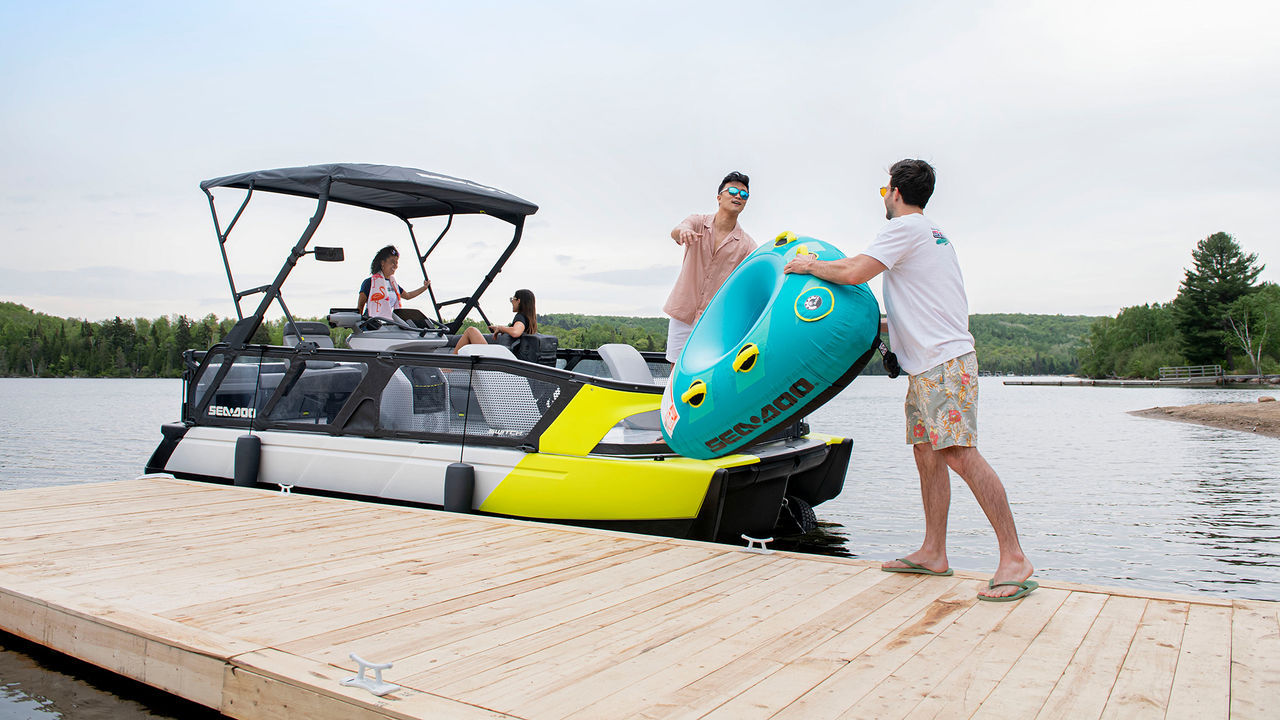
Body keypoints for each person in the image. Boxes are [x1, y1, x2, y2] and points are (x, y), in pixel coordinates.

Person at [783, 159, 1036, 602]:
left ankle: (1014, 557)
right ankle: (934, 551)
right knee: (927, 453)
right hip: (929, 366)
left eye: (885, 188)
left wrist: (806, 265)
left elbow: (853, 272)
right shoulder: (933, 233)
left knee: (959, 453)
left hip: (944, 363)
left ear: (896, 192)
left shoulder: (905, 227)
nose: (884, 195)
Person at [663, 171, 757, 363]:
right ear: (719, 197)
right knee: (676, 371)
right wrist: (684, 232)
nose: (738, 196)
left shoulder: (747, 244)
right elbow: (677, 230)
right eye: (732, 191)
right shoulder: (697, 222)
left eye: (744, 194)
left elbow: (761, 264)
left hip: (714, 321)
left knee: (705, 370)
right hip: (683, 311)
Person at [453, 288, 537, 353]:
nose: (511, 302)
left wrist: (501, 328)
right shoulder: (529, 320)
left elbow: (515, 332)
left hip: (501, 360)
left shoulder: (520, 317)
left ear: (518, 301)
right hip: (509, 357)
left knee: (471, 331)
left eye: (512, 299)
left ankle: (448, 367)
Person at [357, 245, 430, 320]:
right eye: (392, 262)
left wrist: (424, 288)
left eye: (396, 263)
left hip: (389, 323)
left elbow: (408, 295)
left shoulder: (394, 285)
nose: (395, 266)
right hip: (371, 324)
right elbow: (360, 307)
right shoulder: (370, 283)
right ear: (382, 263)